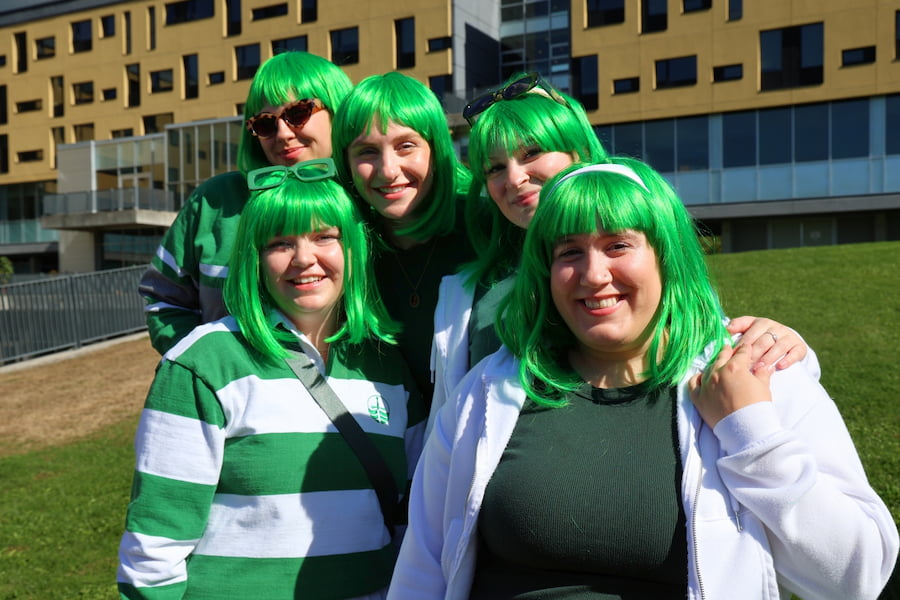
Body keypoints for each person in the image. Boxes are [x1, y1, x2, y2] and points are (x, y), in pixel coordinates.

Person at [388, 160, 898, 600]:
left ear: (666, 256)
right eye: (569, 252)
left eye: (617, 246)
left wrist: (753, 435)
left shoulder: (753, 375)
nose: (592, 275)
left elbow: (857, 577)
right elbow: (424, 565)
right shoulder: (488, 391)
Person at [429, 73, 814, 435]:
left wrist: (780, 344)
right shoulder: (471, 291)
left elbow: (709, 341)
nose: (513, 178)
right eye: (494, 168)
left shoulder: (647, 251)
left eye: (532, 152)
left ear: (578, 151)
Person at [118, 160, 425, 599]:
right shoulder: (204, 362)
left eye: (325, 237)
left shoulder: (388, 369)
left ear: (353, 250)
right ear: (255, 259)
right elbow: (154, 551)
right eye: (280, 243)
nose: (304, 258)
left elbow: (413, 519)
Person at [139, 51, 352, 355]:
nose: (282, 133)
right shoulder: (215, 202)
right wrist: (203, 367)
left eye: (298, 113)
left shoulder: (368, 197)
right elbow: (164, 300)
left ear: (339, 110)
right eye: (265, 123)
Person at [331, 71, 475, 405]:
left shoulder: (485, 222)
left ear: (437, 149)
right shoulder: (340, 244)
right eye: (366, 152)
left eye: (405, 146)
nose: (388, 170)